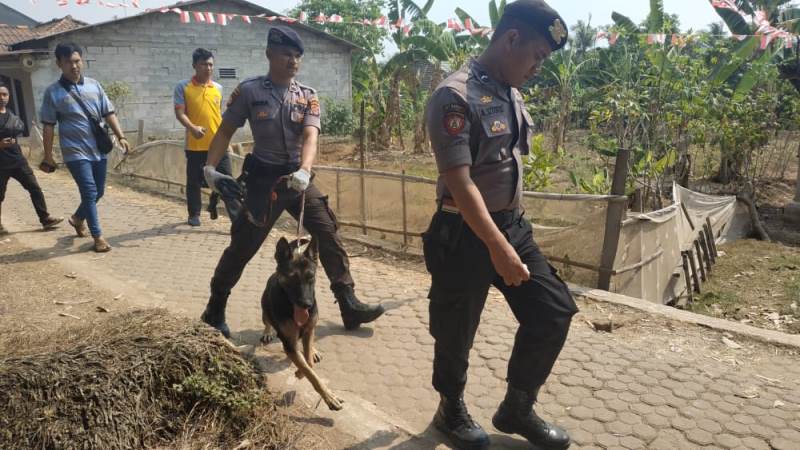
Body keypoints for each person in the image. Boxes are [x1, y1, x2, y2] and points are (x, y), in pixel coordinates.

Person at [422, 1, 578, 448]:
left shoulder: (510, 90)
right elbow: (460, 180)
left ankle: (517, 407)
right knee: (455, 331)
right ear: (511, 39)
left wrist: (509, 239)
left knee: (552, 312)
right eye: (537, 56)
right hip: (463, 232)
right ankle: (449, 409)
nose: (537, 68)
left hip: (512, 227)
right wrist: (497, 247)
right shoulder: (455, 96)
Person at [200, 26, 384, 338]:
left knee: (326, 230)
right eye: (287, 54)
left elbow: (311, 135)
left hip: (297, 179)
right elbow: (225, 131)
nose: (293, 60)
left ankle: (348, 302)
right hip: (262, 181)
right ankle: (215, 307)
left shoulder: (308, 96)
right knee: (243, 245)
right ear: (270, 53)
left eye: (297, 56)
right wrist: (210, 169)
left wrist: (305, 168)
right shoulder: (249, 92)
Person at [40, 43, 130, 253]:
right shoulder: (52, 92)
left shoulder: (94, 85)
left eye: (77, 61)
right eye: (68, 62)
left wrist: (121, 136)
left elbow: (109, 113)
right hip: (74, 152)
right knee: (89, 191)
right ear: (59, 64)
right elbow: (48, 127)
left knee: (98, 192)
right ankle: (98, 237)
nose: (74, 66)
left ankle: (78, 218)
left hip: (98, 148)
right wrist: (48, 155)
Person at [174, 48, 239, 226]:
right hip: (195, 145)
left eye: (210, 64)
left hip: (219, 144)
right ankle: (194, 214)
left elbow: (219, 115)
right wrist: (192, 127)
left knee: (227, 181)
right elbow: (180, 113)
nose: (208, 68)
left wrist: (227, 140)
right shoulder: (183, 87)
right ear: (195, 65)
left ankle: (236, 219)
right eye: (204, 64)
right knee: (194, 181)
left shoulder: (218, 88)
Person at [0, 83, 63, 234]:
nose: (2, 98)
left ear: (8, 97)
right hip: (0, 165)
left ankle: (45, 219)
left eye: (5, 94)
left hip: (18, 161)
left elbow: (19, 129)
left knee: (34, 188)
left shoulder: (11, 114)